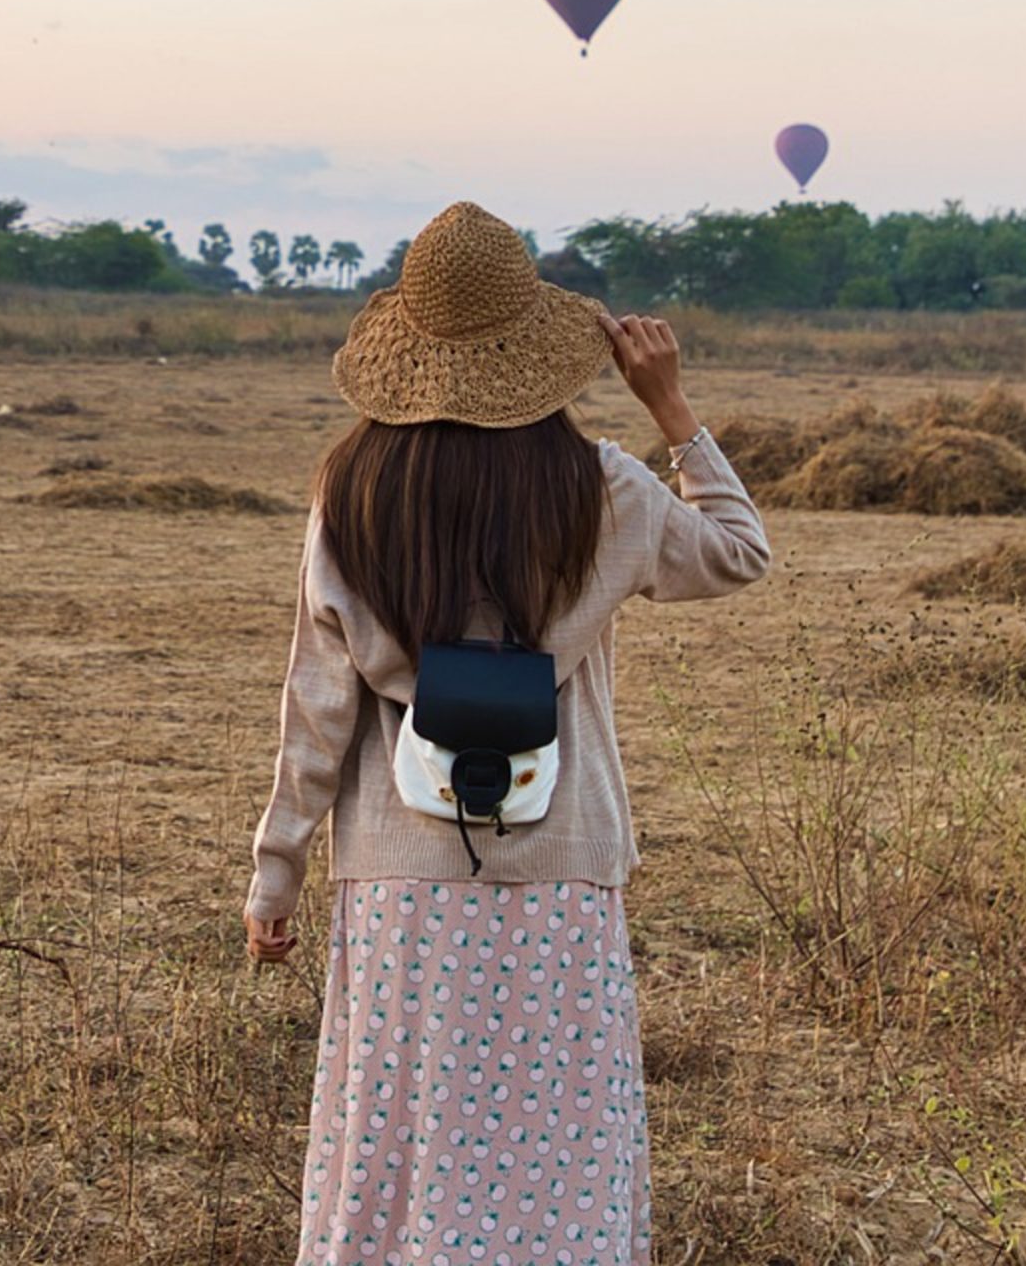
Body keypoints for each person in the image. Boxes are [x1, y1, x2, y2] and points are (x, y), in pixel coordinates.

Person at [245, 200, 770, 1265]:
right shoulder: (604, 488)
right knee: (555, 1149)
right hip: (558, 875)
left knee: (402, 1146)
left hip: (396, 880)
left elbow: (317, 703)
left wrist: (275, 872)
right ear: (538, 352)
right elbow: (737, 551)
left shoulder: (349, 491)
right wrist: (670, 407)